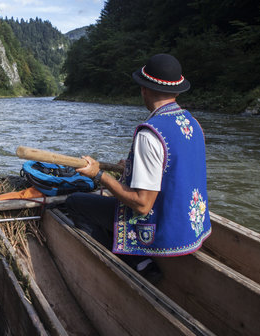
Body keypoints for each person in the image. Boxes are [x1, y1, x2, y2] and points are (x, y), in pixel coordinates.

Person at [66, 53, 212, 283]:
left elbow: (143, 205)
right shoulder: (193, 124)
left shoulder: (149, 134)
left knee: (75, 203)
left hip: (164, 234)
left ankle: (130, 264)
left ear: (144, 89)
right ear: (177, 91)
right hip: (193, 230)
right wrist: (131, 168)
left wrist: (99, 174)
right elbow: (174, 169)